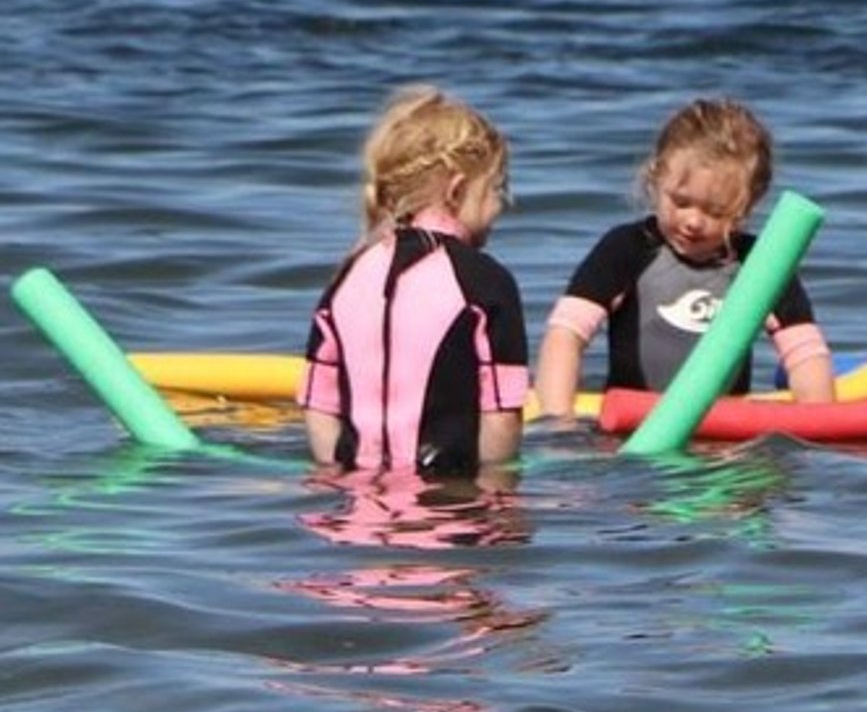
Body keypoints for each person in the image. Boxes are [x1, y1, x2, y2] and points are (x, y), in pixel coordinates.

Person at [533, 97, 834, 422]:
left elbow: (805, 356)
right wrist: (558, 422)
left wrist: (820, 427)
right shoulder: (627, 248)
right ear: (655, 178)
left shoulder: (760, 265)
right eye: (681, 201)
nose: (693, 221)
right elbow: (565, 335)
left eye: (716, 211)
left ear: (748, 206)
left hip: (723, 439)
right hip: (632, 433)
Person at [299, 85, 528, 476]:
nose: (501, 206)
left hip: (354, 515)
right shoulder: (485, 281)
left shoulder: (347, 276)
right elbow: (501, 420)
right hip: (449, 509)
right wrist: (498, 502)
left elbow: (318, 403)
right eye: (496, 189)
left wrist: (340, 477)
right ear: (457, 191)